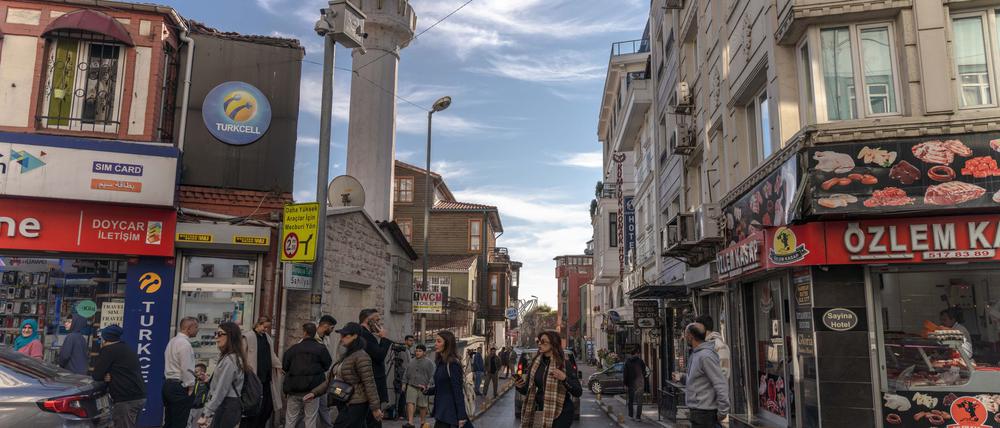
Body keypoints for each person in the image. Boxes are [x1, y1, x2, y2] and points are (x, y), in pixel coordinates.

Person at [307, 322, 382, 428]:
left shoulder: (361, 356)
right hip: (344, 400)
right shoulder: (346, 355)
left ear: (355, 336)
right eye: (341, 335)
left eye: (345, 335)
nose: (341, 338)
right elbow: (331, 380)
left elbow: (369, 382)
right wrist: (314, 393)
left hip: (356, 403)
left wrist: (375, 408)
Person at [515, 331, 583, 428]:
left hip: (562, 413)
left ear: (553, 343)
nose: (539, 344)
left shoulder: (564, 364)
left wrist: (564, 378)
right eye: (538, 341)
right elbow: (527, 390)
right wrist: (519, 386)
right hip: (541, 411)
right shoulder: (535, 364)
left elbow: (578, 392)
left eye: (543, 342)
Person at [92, 325, 146, 428]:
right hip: (138, 396)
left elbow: (96, 375)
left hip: (126, 399)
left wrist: (105, 376)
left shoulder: (108, 350)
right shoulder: (125, 347)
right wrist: (108, 375)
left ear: (106, 338)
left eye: (101, 337)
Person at [197, 322, 247, 428]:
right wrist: (208, 380)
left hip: (228, 405)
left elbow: (221, 389)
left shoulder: (230, 359)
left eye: (220, 334)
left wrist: (206, 413)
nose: (216, 337)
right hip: (226, 405)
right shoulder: (228, 357)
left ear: (230, 336)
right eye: (216, 333)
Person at [284, 322, 333, 428]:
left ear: (304, 332)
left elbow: (285, 366)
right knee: (310, 420)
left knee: (290, 419)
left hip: (294, 389)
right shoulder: (321, 348)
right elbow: (327, 365)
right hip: (312, 390)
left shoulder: (293, 349)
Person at [683, 322, 730, 428]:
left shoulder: (705, 356)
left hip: (705, 413)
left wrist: (723, 411)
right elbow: (698, 380)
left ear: (690, 336)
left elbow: (720, 383)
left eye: (685, 334)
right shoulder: (696, 354)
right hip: (698, 412)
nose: (684, 337)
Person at [242, 316, 282, 428]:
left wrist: (279, 365)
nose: (266, 330)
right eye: (264, 327)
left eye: (267, 328)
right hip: (254, 379)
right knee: (255, 407)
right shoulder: (248, 336)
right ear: (258, 324)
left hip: (266, 378)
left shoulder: (267, 338)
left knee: (267, 407)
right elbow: (242, 356)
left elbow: (271, 355)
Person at [425, 331, 468, 428]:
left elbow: (457, 391)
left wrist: (461, 416)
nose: (435, 344)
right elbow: (442, 387)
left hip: (450, 415)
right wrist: (427, 390)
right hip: (441, 412)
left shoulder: (453, 364)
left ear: (447, 344)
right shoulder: (440, 363)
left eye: (439, 341)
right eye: (435, 341)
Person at [163, 317, 198, 428]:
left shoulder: (172, 341)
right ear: (189, 328)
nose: (198, 330)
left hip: (168, 384)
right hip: (179, 387)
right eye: (196, 327)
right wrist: (191, 386)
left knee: (169, 421)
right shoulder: (185, 344)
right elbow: (186, 367)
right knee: (179, 422)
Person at [359, 308, 393, 407]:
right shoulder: (364, 334)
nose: (379, 324)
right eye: (377, 320)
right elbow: (379, 355)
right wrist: (384, 338)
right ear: (367, 320)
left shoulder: (367, 334)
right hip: (372, 381)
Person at [402, 344, 435, 428]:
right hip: (411, 385)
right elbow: (406, 373)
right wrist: (404, 383)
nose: (417, 352)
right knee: (410, 402)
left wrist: (429, 385)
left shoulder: (429, 363)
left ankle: (423, 422)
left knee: (422, 405)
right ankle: (410, 422)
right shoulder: (411, 361)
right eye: (416, 351)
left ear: (424, 352)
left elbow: (433, 375)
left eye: (420, 351)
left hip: (422, 387)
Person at [316, 314, 338, 428]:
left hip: (325, 379)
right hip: (313, 379)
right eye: (332, 328)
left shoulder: (327, 339)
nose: (332, 330)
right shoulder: (311, 337)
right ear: (325, 326)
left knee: (324, 406)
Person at [696, 314, 732, 379]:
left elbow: (723, 373)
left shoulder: (719, 345)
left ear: (702, 328)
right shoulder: (703, 345)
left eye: (697, 328)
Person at [623, 347, 648, 421]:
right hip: (640, 384)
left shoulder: (627, 362)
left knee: (630, 401)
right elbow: (645, 371)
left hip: (631, 384)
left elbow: (625, 374)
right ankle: (638, 417)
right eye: (638, 353)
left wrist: (625, 384)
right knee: (639, 401)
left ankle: (631, 415)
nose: (639, 354)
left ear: (631, 354)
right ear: (636, 353)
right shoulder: (641, 361)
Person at [189, 363, 210, 428]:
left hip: (200, 408)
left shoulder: (206, 383)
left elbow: (212, 388)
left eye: (197, 372)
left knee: (195, 426)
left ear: (203, 372)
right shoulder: (194, 381)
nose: (195, 374)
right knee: (188, 424)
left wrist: (207, 381)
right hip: (190, 407)